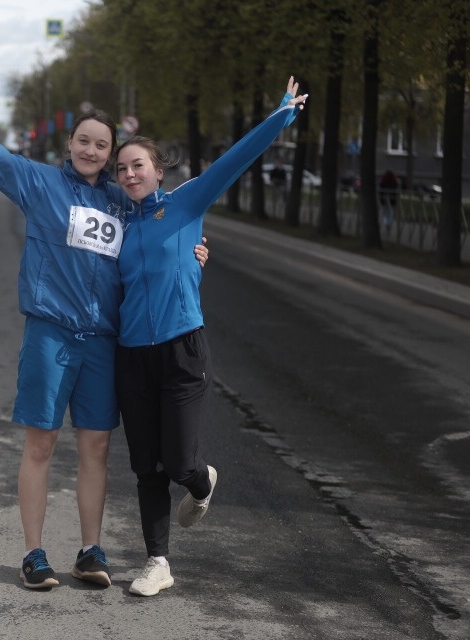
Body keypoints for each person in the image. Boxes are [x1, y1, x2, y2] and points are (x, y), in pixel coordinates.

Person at [0, 82, 209, 590]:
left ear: (110, 153)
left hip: (102, 341)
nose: (92, 151)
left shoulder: (122, 204)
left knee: (96, 447)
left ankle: (90, 551)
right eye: (84, 141)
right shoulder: (38, 183)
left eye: (102, 145)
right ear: (69, 143)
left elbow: (161, 233)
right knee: (41, 445)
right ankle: (33, 554)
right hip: (51, 334)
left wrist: (194, 253)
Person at [112, 77, 307, 597]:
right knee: (147, 467)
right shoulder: (117, 223)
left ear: (158, 169)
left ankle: (201, 482)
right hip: (131, 357)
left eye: (138, 165)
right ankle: (157, 562)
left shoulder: (184, 203)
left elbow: (234, 161)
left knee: (178, 462)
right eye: (122, 168)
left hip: (182, 349)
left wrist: (280, 115)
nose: (129, 174)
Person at [379, 169, 398, 234]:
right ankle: (388, 228)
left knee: (385, 214)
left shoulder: (383, 183)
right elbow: (396, 193)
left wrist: (381, 200)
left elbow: (381, 192)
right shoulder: (394, 183)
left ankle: (386, 226)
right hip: (392, 201)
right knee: (390, 215)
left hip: (384, 201)